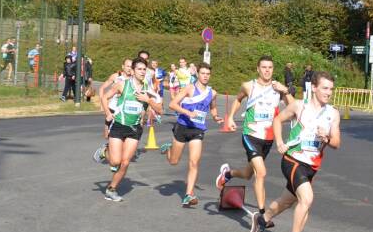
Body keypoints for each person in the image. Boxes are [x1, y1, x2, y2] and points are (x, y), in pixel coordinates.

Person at [249, 71, 341, 232]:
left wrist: (326, 138)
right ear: (314, 88)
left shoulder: (333, 114)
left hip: (311, 166)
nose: (329, 93)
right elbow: (277, 120)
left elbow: (337, 142)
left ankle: (262, 220)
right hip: (292, 160)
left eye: (331, 89)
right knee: (306, 199)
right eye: (325, 88)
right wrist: (280, 142)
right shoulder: (299, 106)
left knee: (286, 201)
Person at [215, 56, 294, 220]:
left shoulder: (278, 88)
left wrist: (285, 90)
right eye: (264, 67)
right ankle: (262, 214)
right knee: (262, 173)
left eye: (270, 67)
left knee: (247, 174)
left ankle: (227, 174)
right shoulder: (249, 86)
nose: (267, 70)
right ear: (258, 69)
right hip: (250, 135)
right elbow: (237, 99)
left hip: (268, 139)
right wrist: (230, 117)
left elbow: (294, 107)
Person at [160, 62, 223, 206]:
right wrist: (188, 112)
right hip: (182, 127)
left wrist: (215, 116)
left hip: (198, 130)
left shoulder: (212, 93)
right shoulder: (189, 88)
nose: (205, 76)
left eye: (208, 74)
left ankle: (188, 194)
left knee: (194, 162)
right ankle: (168, 149)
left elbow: (212, 108)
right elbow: (172, 104)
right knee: (173, 162)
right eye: (203, 73)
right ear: (198, 74)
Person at [101, 57, 163, 202]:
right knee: (115, 161)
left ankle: (111, 189)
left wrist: (148, 100)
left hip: (135, 129)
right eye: (139, 69)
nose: (142, 72)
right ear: (133, 71)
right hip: (119, 125)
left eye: (144, 69)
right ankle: (105, 151)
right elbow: (105, 97)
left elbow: (160, 110)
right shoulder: (122, 85)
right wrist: (108, 113)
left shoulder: (148, 89)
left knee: (126, 162)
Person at [93, 58, 133, 163]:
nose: (129, 68)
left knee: (120, 137)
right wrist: (103, 105)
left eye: (131, 66)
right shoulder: (116, 77)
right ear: (123, 66)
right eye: (128, 66)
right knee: (108, 136)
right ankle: (106, 150)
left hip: (125, 112)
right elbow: (102, 88)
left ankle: (111, 152)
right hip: (112, 109)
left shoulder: (134, 79)